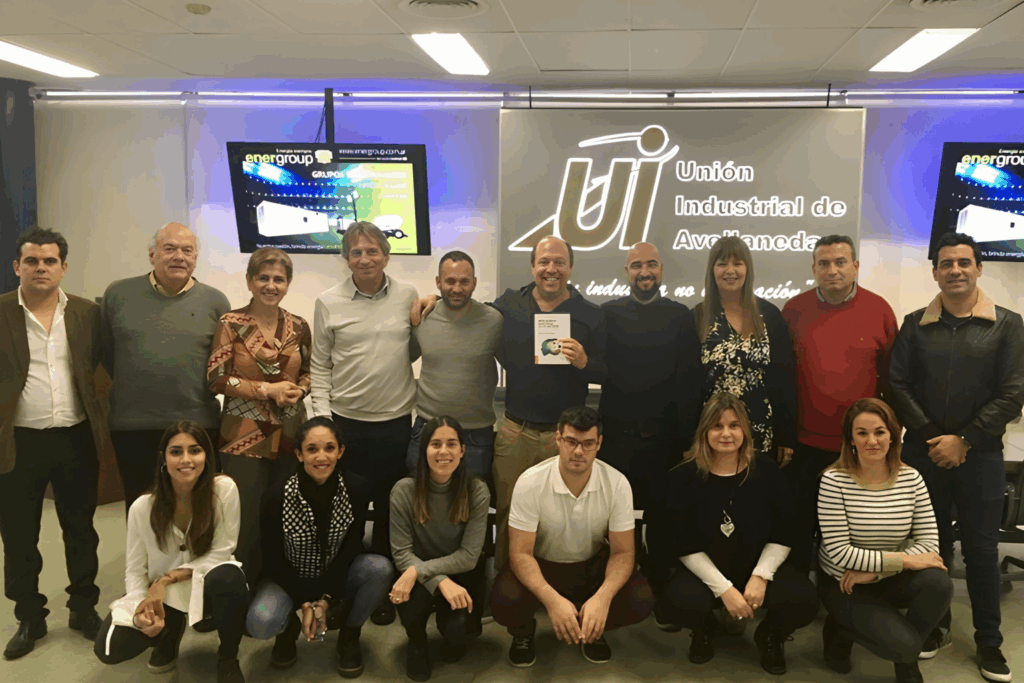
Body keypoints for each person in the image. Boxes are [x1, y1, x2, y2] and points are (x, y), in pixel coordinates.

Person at [888, 232, 1024, 683]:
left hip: (980, 456)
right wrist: (934, 439)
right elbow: (897, 385)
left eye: (964, 262)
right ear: (935, 272)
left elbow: (1013, 393)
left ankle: (989, 642)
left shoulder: (1007, 324)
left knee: (982, 551)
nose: (955, 270)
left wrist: (963, 440)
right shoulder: (914, 324)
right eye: (946, 264)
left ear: (979, 268)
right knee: (932, 548)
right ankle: (937, 627)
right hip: (923, 455)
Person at [0, 228, 110, 659]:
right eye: (32, 261)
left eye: (49, 261)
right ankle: (30, 616)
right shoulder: (2, 311)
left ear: (64, 267)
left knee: (81, 531)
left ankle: (84, 608)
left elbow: (99, 366)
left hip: (76, 438)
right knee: (20, 535)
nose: (40, 268)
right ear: (17, 267)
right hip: (17, 444)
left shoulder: (86, 313)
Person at [654, 392, 817, 675]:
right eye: (716, 426)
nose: (726, 434)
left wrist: (761, 576)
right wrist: (724, 589)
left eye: (734, 425)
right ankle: (705, 629)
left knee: (804, 601)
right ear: (704, 432)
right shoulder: (684, 476)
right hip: (707, 573)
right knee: (676, 602)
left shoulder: (765, 469)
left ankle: (770, 636)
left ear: (745, 430)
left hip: (755, 568)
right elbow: (683, 543)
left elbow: (784, 531)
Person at [310, 221, 419, 626]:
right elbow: (319, 364)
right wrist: (322, 421)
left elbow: (415, 347)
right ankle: (345, 590)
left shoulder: (408, 296)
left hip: (395, 426)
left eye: (373, 251)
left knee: (394, 516)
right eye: (356, 252)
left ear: (386, 256)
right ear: (346, 258)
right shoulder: (328, 301)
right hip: (347, 427)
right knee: (348, 517)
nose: (365, 258)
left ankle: (388, 592)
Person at [490, 406, 653, 668]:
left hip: (590, 566)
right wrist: (553, 601)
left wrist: (602, 599)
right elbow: (520, 553)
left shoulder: (617, 483)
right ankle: (523, 632)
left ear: (599, 443)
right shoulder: (530, 482)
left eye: (588, 444)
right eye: (571, 442)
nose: (578, 452)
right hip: (542, 564)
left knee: (641, 599)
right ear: (558, 439)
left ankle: (590, 627)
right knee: (503, 600)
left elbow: (623, 552)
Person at [93, 422, 249, 683]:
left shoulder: (224, 491)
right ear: (164, 459)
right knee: (109, 649)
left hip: (206, 583)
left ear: (206, 456)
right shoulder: (142, 508)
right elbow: (135, 569)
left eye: (195, 450)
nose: (186, 459)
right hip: (163, 595)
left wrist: (165, 580)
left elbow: (222, 552)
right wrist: (143, 604)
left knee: (229, 579)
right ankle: (168, 634)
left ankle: (228, 656)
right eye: (176, 452)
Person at [781, 235, 898, 571]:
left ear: (855, 267)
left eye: (840, 262)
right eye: (824, 263)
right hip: (804, 444)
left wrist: (890, 436)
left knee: (856, 529)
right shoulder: (793, 310)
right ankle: (800, 599)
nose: (832, 270)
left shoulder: (880, 310)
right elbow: (783, 378)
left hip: (860, 447)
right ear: (814, 269)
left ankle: (848, 594)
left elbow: (892, 380)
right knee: (801, 525)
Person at [245, 417, 393, 679]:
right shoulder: (276, 496)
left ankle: (350, 633)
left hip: (334, 573)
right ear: (299, 454)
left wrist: (324, 599)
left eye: (329, 448)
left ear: (340, 451)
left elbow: (350, 549)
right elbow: (272, 559)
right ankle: (287, 630)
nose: (321, 457)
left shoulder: (357, 489)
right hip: (287, 577)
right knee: (261, 621)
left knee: (379, 568)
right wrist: (304, 602)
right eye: (312, 449)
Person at [817, 398, 953, 683]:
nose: (872, 441)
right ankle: (839, 629)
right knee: (904, 644)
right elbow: (841, 553)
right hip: (845, 582)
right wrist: (903, 560)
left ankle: (905, 660)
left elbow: (929, 543)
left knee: (939, 584)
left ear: (893, 434)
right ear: (850, 439)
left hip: (881, 576)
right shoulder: (833, 481)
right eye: (862, 433)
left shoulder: (911, 478)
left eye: (879, 432)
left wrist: (877, 570)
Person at [101, 222, 231, 514]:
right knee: (140, 509)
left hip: (198, 423)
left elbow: (222, 361)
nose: (179, 257)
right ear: (152, 255)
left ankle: (195, 562)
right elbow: (107, 353)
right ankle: (145, 563)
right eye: (169, 248)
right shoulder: (118, 295)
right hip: (133, 425)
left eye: (187, 250)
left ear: (196, 257)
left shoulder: (215, 302)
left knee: (196, 508)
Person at [598, 242, 702, 597]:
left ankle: (659, 589)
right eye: (637, 265)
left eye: (652, 265)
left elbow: (690, 382)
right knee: (614, 520)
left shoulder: (680, 316)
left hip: (666, 441)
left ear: (661, 271)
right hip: (615, 439)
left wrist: (689, 440)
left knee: (662, 521)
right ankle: (614, 588)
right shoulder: (607, 314)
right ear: (625, 272)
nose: (645, 271)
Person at [208, 247, 311, 586]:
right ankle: (239, 592)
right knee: (243, 523)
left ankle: (278, 589)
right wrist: (267, 390)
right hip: (242, 439)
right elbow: (216, 378)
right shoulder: (231, 323)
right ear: (250, 281)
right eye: (263, 278)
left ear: (288, 284)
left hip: (290, 437)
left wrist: (300, 390)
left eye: (278, 279)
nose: (271, 285)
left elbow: (308, 373)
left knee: (284, 517)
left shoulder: (298, 325)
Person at [389, 416, 490, 681]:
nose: (443, 451)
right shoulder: (404, 490)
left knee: (460, 628)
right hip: (421, 572)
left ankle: (454, 638)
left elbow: (469, 557)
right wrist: (439, 579)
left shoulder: (477, 490)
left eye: (451, 444)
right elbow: (401, 553)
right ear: (424, 450)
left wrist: (420, 572)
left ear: (462, 450)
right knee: (407, 596)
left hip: (460, 573)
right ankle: (417, 642)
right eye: (435, 444)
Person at [695, 235, 797, 464]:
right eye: (722, 264)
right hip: (712, 431)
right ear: (712, 270)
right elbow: (687, 384)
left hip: (761, 430)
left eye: (737, 263)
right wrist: (688, 439)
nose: (730, 270)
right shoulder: (697, 317)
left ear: (747, 269)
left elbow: (785, 380)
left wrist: (787, 436)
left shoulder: (770, 316)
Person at [406, 251, 502, 485]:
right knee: (419, 502)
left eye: (464, 281)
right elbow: (401, 359)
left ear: (474, 283)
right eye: (449, 281)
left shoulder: (494, 320)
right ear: (438, 282)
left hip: (476, 434)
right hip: (428, 429)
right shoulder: (422, 318)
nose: (457, 288)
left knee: (472, 504)